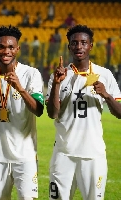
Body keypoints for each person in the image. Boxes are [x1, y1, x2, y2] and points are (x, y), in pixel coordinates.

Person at [46, 24, 121, 200]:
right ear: (69, 46)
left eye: (83, 42)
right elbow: (52, 114)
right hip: (63, 153)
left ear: (90, 45)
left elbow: (119, 113)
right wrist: (57, 83)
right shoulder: (58, 75)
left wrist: (106, 95)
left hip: (93, 154)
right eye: (74, 43)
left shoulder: (105, 74)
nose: (79, 46)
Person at [0, 25, 44, 200]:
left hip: (25, 155)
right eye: (1, 47)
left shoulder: (31, 74)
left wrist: (20, 89)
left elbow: (38, 110)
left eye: (11, 47)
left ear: (18, 48)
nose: (6, 51)